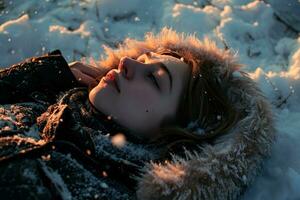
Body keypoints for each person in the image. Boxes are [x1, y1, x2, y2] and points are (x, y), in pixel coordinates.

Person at [0, 28, 275, 200]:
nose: (127, 62)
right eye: (142, 60)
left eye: (155, 79)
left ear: (176, 135)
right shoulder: (44, 96)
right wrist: (37, 75)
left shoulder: (98, 189)